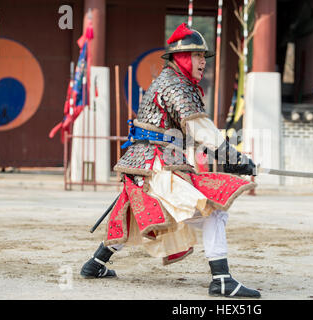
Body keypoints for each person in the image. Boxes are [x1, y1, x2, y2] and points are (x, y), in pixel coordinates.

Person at [80, 23, 260, 298]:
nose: (203, 62)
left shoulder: (171, 80)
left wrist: (230, 158)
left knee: (135, 214)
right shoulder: (176, 85)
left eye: (204, 56)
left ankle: (95, 264)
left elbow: (194, 136)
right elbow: (203, 132)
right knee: (213, 210)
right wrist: (236, 159)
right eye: (198, 56)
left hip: (147, 164)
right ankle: (222, 279)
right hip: (156, 165)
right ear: (183, 57)